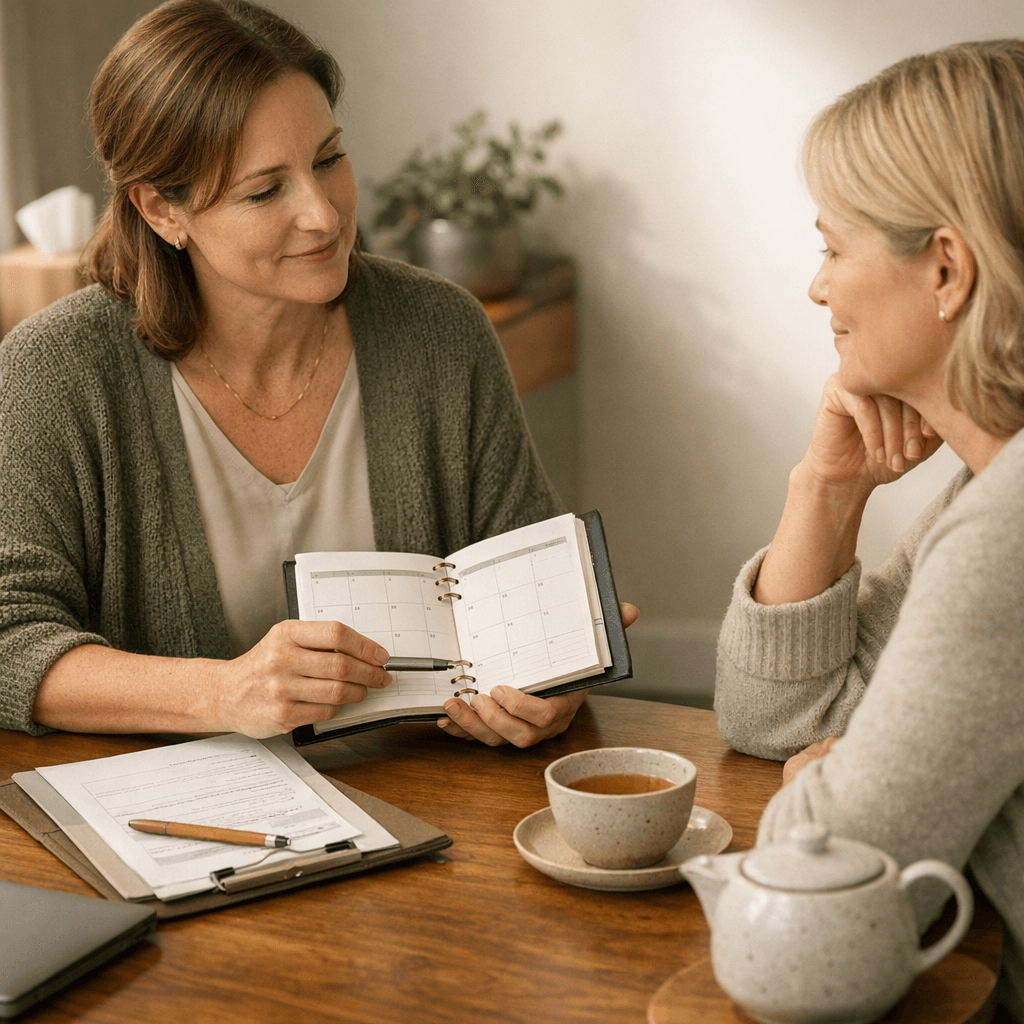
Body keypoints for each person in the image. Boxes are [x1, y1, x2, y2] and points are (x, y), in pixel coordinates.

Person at [0, 0, 634, 746]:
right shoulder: (57, 370)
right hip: (177, 828)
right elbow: (11, 637)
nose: (325, 216)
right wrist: (224, 693)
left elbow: (525, 597)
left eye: (329, 159)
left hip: (430, 800)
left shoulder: (441, 331)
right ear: (162, 209)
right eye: (265, 191)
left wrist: (554, 675)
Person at [714, 41, 1024, 1022]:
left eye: (832, 248)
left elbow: (825, 870)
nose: (817, 289)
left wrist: (838, 772)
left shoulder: (1005, 530)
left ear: (945, 268)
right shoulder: (985, 488)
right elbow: (769, 721)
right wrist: (827, 487)